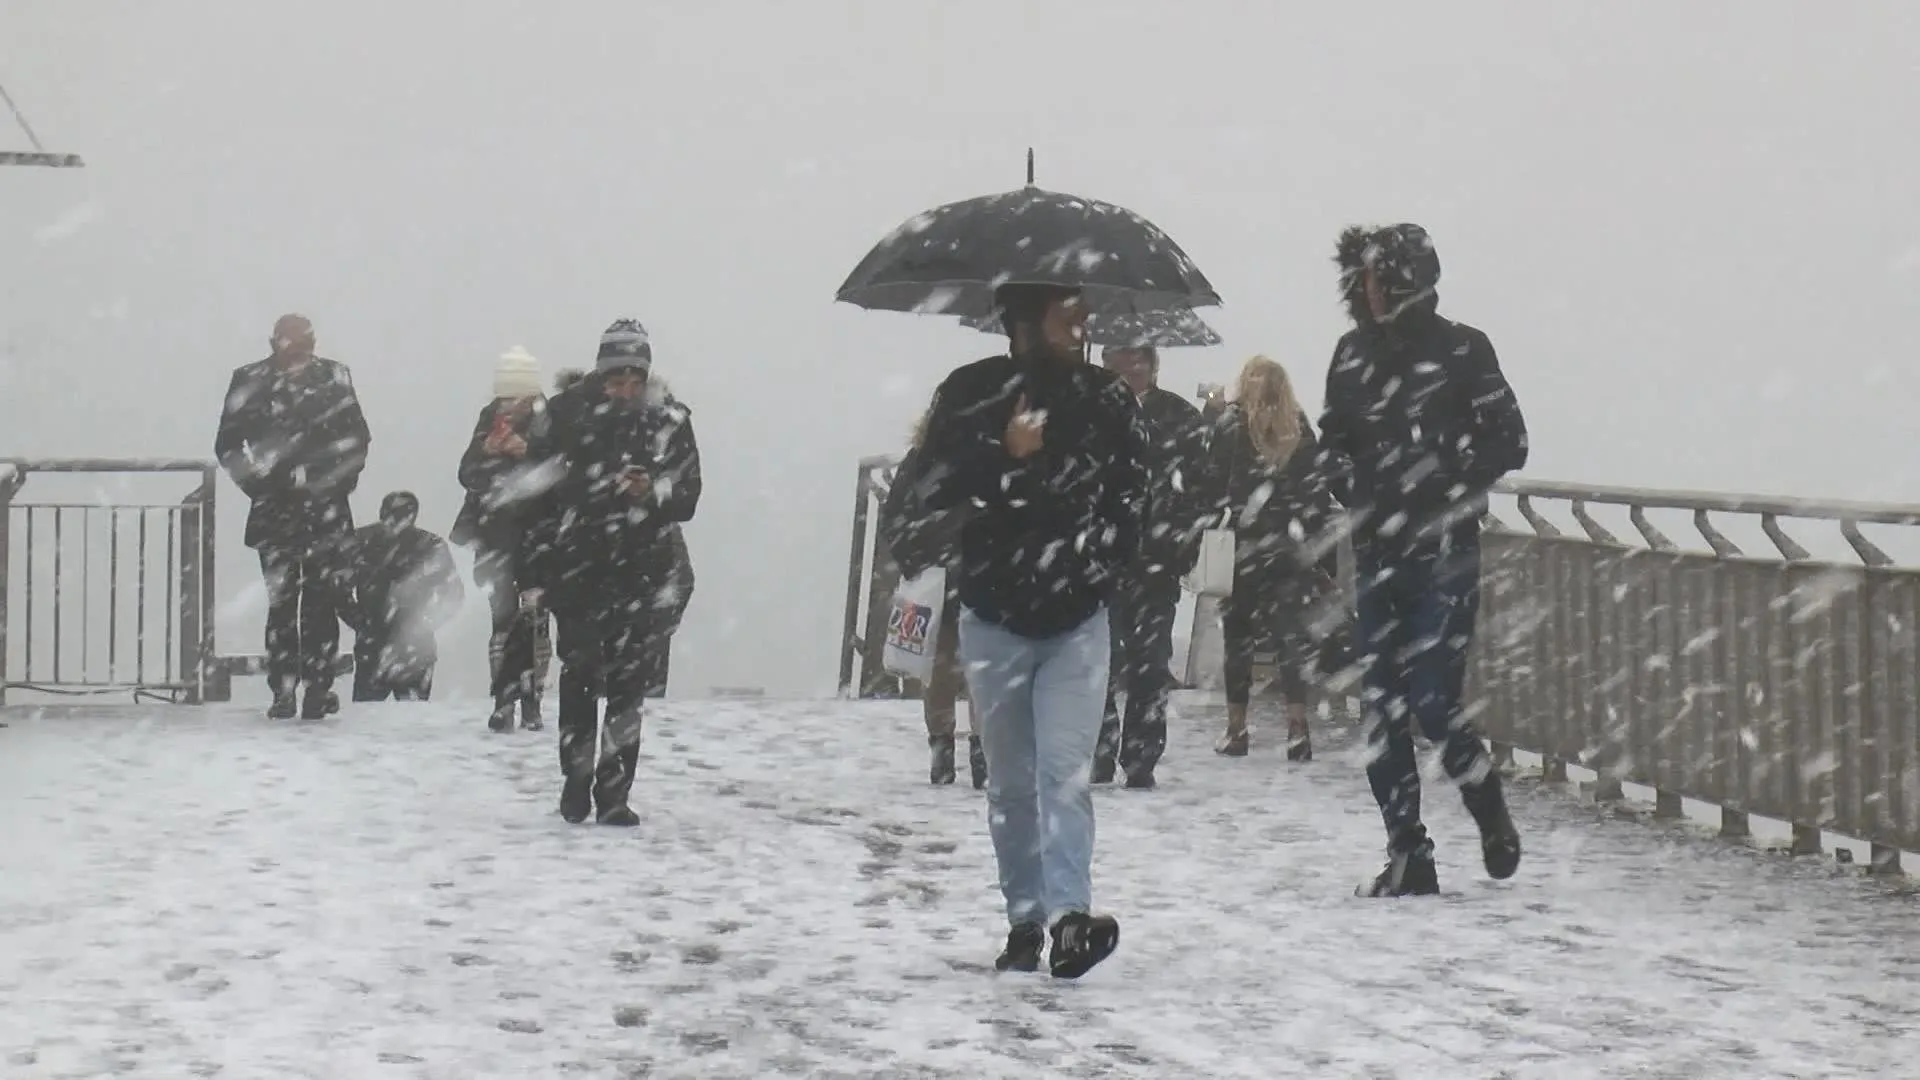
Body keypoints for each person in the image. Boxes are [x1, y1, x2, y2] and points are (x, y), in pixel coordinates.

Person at [913, 283, 1146, 979]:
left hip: (1077, 618)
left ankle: (1072, 917)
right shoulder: (968, 393)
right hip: (994, 616)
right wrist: (1005, 454)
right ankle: (1025, 919)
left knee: (1064, 773)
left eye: (1084, 311)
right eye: (1064, 311)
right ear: (1022, 321)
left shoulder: (1109, 401)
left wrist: (1101, 569)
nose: (1081, 325)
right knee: (1011, 782)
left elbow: (1132, 497)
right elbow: (932, 486)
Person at [1318, 223, 1529, 897]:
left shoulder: (1465, 350)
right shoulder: (1351, 354)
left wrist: (1436, 478)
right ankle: (1409, 853)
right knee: (1380, 709)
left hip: (1444, 553)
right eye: (1364, 279)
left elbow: (1512, 441)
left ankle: (1486, 805)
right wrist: (1351, 481)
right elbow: (1332, 443)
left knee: (1434, 702)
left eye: (1379, 277)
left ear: (1405, 279)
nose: (1369, 290)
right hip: (1377, 553)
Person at [523, 319, 701, 827]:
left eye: (634, 378)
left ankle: (615, 792)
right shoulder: (561, 417)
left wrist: (654, 492)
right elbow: (537, 495)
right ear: (600, 374)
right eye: (616, 377)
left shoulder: (670, 419)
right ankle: (576, 778)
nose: (625, 388)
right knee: (580, 675)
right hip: (577, 563)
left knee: (628, 685)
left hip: (642, 567)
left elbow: (688, 496)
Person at [214, 313, 371, 720]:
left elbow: (357, 438)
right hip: (293, 506)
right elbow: (229, 444)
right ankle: (298, 689)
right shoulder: (267, 378)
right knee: (294, 602)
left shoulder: (326, 376)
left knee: (306, 601)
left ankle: (306, 689)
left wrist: (330, 480)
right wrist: (265, 484)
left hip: (304, 506)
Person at [1204, 355, 1338, 762]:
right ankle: (1298, 731)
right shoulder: (1297, 428)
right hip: (1287, 549)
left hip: (1245, 546)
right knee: (1288, 639)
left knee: (1239, 639)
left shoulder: (1231, 426)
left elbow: (1212, 483)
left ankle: (1237, 730)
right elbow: (1317, 493)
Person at [1090, 345, 1210, 790]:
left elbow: (1201, 487)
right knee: (1098, 658)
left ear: (1152, 368)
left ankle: (1141, 755)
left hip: (1157, 558)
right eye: (1114, 366)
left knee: (1150, 661)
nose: (1125, 374)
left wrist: (1182, 544)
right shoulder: (1090, 414)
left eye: (1134, 365)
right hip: (1102, 556)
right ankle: (1099, 750)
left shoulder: (1179, 417)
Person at [453, 347, 558, 733]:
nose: (509, 404)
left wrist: (526, 453)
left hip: (539, 536)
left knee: (534, 620)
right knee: (502, 617)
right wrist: (488, 453)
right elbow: (466, 474)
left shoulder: (550, 420)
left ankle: (531, 701)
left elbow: (561, 475)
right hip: (497, 536)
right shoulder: (489, 419)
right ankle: (503, 699)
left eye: (516, 395)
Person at [878, 402, 983, 788]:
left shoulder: (926, 463)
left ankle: (965, 750)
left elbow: (898, 518)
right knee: (954, 669)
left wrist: (917, 556)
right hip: (952, 576)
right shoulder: (923, 463)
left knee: (965, 670)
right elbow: (898, 517)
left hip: (967, 575)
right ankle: (960, 750)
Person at [344, 491, 464, 701]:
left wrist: (361, 622)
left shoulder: (364, 542)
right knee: (401, 720)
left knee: (372, 721)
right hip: (397, 646)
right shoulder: (428, 545)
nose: (394, 522)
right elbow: (453, 593)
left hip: (397, 647)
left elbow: (453, 593)